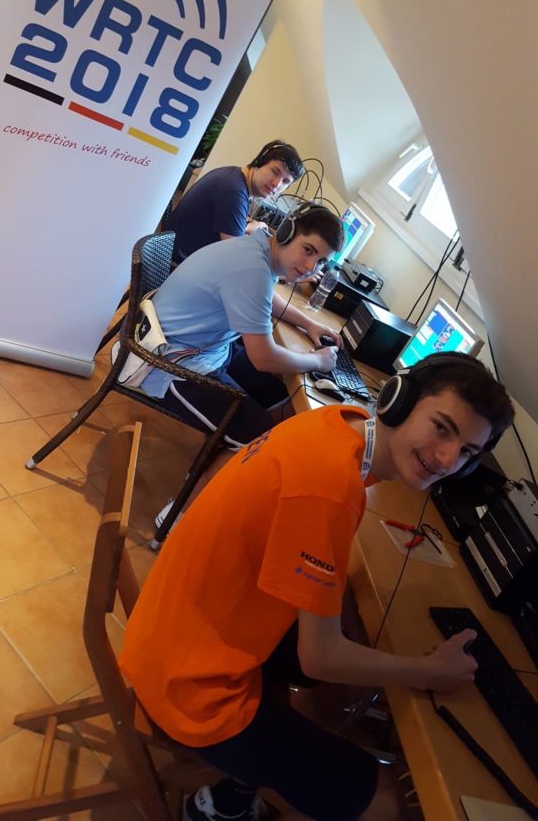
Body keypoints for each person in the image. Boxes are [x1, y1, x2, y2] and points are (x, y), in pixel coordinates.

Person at [119, 353, 515, 821]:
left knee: (337, 647)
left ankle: (240, 791)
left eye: (467, 452)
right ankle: (226, 800)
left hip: (166, 635)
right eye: (442, 428)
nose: (447, 459)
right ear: (399, 401)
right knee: (387, 799)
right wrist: (427, 672)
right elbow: (320, 657)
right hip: (187, 689)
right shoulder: (330, 488)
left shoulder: (336, 422)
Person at [125, 202, 345, 450]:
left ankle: (226, 444)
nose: (310, 267)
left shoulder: (257, 249)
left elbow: (264, 298)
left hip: (205, 348)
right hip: (168, 364)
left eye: (320, 262)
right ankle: (227, 460)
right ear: (286, 232)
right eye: (308, 250)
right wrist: (318, 362)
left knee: (281, 396)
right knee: (259, 446)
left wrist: (308, 323)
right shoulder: (252, 269)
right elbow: (264, 358)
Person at [168, 140, 305, 262]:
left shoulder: (234, 177)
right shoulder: (234, 192)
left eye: (285, 181)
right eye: (275, 171)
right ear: (260, 162)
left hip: (177, 253)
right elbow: (235, 256)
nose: (276, 184)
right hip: (177, 263)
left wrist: (249, 227)